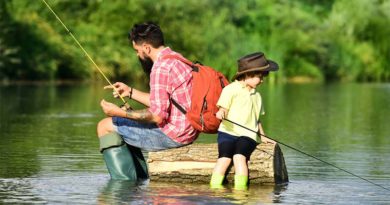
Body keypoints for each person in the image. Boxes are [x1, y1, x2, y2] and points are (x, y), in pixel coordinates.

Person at [97, 22, 199, 180]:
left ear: (146, 47)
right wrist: (130, 92)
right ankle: (140, 178)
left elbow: (157, 116)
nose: (138, 55)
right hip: (187, 130)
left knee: (104, 126)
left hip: (174, 135)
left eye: (137, 51)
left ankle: (123, 187)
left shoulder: (160, 68)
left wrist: (120, 113)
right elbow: (163, 103)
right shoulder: (177, 59)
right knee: (122, 123)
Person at [209, 52, 278, 189]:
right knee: (224, 159)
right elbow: (223, 109)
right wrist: (221, 113)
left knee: (239, 158)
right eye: (260, 77)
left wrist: (263, 137)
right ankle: (214, 191)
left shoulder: (257, 96)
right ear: (248, 75)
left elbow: (257, 120)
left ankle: (241, 195)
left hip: (248, 136)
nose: (262, 80)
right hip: (227, 133)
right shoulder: (230, 90)